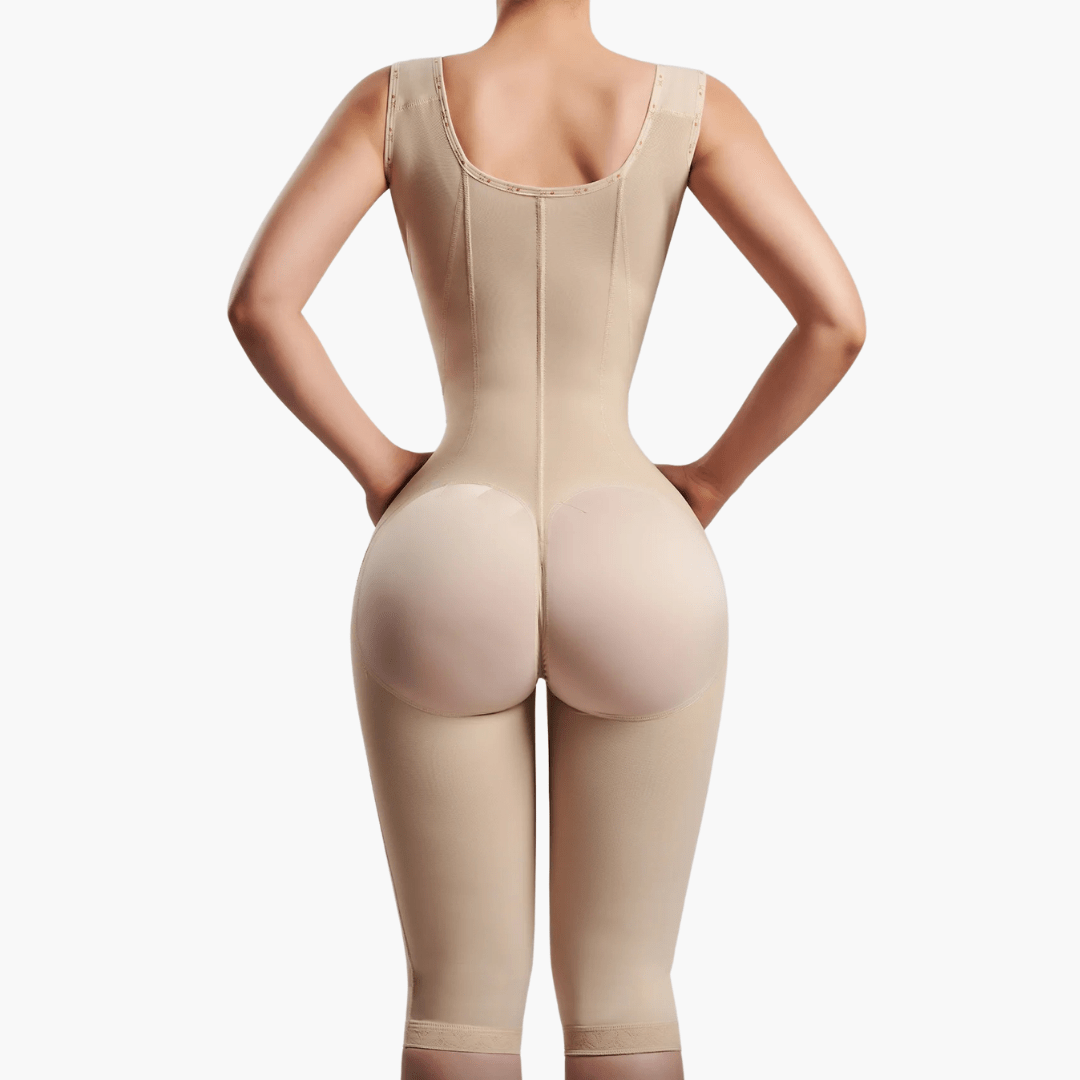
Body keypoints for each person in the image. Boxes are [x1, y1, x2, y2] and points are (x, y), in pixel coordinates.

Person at [227, 1, 866, 1077]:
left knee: (457, 1004)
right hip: (637, 550)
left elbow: (262, 304)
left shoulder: (396, 100)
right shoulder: (688, 107)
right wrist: (711, 481)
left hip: (444, 547)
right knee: (626, 996)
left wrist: (380, 470)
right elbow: (836, 320)